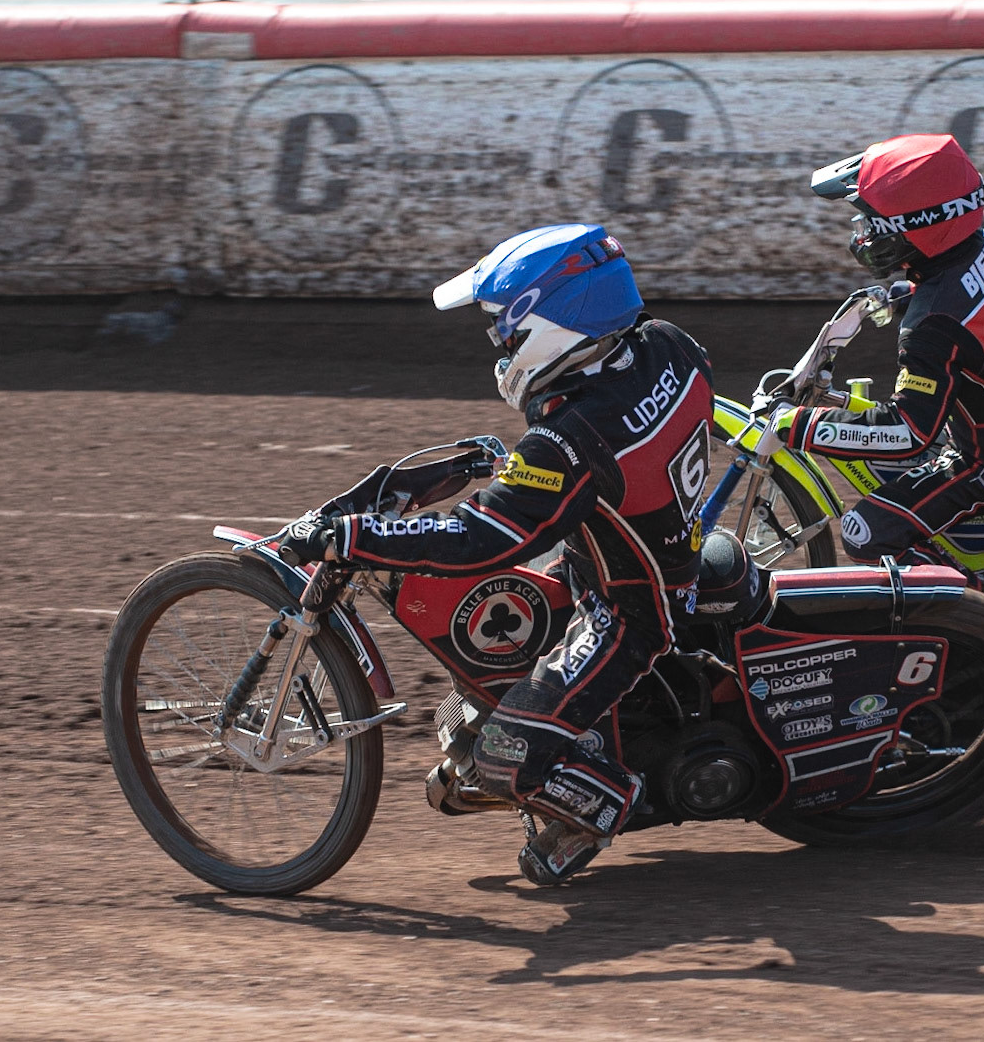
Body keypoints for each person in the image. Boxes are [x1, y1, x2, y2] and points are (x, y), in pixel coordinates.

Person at [279, 223, 715, 885]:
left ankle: (608, 801)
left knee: (498, 752)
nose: (499, 342)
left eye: (504, 329)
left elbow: (478, 541)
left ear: (551, 324)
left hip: (628, 615)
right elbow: (618, 454)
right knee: (492, 664)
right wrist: (527, 471)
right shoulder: (669, 346)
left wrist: (354, 537)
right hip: (649, 555)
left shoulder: (570, 439)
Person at [786, 133, 984, 571]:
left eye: (874, 224)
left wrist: (798, 425)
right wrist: (911, 294)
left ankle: (980, 612)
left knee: (864, 533)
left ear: (922, 225)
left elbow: (908, 432)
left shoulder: (933, 325)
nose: (863, 234)